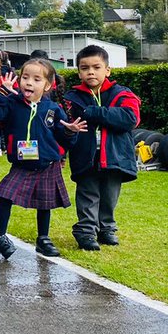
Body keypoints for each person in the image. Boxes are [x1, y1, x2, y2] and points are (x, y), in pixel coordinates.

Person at [0, 58, 86, 259]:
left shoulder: (53, 109)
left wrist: (71, 132)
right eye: (25, 77)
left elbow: (64, 140)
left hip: (47, 164)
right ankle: (1, 236)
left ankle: (43, 238)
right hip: (21, 164)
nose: (29, 83)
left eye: (36, 79)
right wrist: (2, 92)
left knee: (45, 202)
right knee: (5, 196)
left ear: (47, 85)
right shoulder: (12, 102)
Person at [61, 45, 141, 251]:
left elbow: (130, 118)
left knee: (109, 194)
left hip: (115, 156)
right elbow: (68, 122)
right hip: (85, 156)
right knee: (88, 193)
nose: (90, 72)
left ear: (107, 70)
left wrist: (94, 112)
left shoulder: (123, 93)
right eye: (84, 68)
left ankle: (107, 228)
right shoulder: (72, 98)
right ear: (78, 72)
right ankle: (86, 231)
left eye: (96, 67)